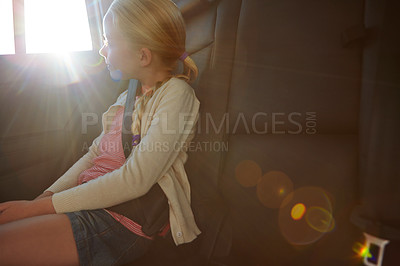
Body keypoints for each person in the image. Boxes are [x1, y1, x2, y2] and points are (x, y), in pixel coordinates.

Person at [0, 0, 201, 265]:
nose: (102, 49)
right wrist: (44, 198)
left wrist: (35, 209)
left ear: (143, 55)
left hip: (120, 220)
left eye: (109, 41)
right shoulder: (127, 97)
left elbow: (135, 180)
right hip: (91, 204)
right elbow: (95, 153)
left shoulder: (176, 95)